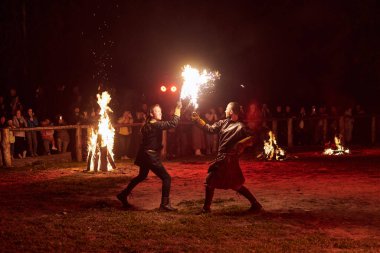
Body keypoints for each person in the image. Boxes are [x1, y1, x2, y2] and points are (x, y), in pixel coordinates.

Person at [191, 102, 262, 213]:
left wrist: (241, 144)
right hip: (223, 158)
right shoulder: (223, 123)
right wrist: (197, 120)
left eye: (226, 108)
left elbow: (253, 137)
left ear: (231, 111)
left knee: (210, 181)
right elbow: (210, 129)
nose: (224, 110)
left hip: (229, 159)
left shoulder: (241, 127)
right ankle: (256, 204)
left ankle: (206, 208)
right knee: (235, 184)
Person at [117, 101, 182, 211]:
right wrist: (178, 109)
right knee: (166, 178)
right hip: (150, 156)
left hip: (144, 155)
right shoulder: (155, 124)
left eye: (160, 111)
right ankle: (164, 204)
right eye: (157, 111)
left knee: (142, 176)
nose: (160, 113)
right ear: (151, 114)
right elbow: (172, 124)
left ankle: (123, 195)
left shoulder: (149, 123)